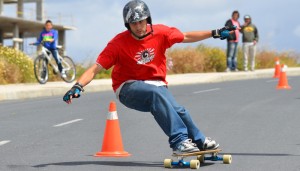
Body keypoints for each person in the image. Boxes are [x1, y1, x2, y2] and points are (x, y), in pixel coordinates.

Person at [63, 0, 235, 154]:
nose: (138, 26)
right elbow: (95, 68)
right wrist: (77, 86)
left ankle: (200, 141)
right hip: (128, 87)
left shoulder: (161, 33)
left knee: (178, 110)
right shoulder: (118, 44)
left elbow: (187, 36)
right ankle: (179, 141)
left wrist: (215, 32)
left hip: (157, 84)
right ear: (127, 24)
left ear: (148, 19)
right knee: (155, 94)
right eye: (134, 23)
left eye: (141, 21)